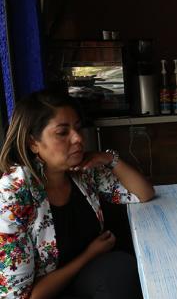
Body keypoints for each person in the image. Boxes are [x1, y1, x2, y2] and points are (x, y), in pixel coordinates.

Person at [0, 90, 155, 298]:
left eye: (78, 128)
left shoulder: (82, 172)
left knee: (122, 267)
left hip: (91, 279)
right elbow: (23, 297)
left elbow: (143, 193)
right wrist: (90, 255)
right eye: (62, 132)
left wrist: (108, 158)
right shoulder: (13, 195)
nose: (78, 138)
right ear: (33, 143)